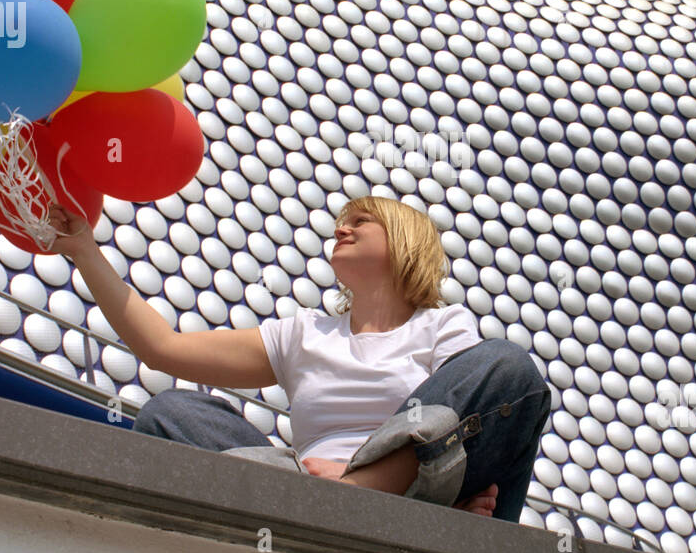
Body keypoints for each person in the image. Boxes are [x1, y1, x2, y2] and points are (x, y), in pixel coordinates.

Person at [47, 195, 552, 522]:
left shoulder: (442, 325)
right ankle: (329, 502)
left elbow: (477, 412)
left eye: (360, 222)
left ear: (402, 241)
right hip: (306, 487)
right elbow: (163, 349)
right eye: (338, 225)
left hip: (422, 495)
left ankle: (364, 491)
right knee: (171, 414)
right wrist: (85, 251)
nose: (341, 230)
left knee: (508, 369)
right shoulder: (304, 334)